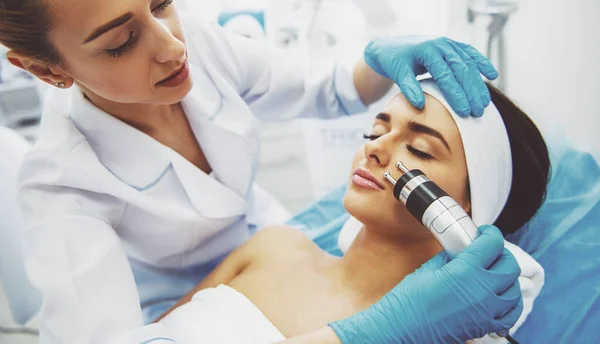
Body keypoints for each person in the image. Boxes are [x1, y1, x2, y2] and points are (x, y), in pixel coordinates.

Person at [0, 0, 521, 343]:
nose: (173, 44)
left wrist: (374, 60)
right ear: (47, 70)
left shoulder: (281, 242)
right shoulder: (61, 188)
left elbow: (328, 87)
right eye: (122, 42)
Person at [154, 81, 549, 343]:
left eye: (419, 150)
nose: (374, 149)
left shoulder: (434, 334)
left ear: (466, 210)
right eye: (375, 132)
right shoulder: (275, 247)